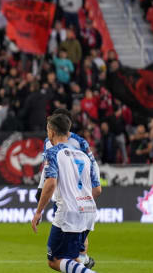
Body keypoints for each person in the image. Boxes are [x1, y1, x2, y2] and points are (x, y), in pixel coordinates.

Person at [31, 113, 101, 273]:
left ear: (51, 132)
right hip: (88, 211)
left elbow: (50, 183)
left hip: (69, 212)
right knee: (74, 258)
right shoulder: (83, 154)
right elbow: (97, 189)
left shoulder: (53, 153)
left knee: (55, 260)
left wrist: (39, 211)